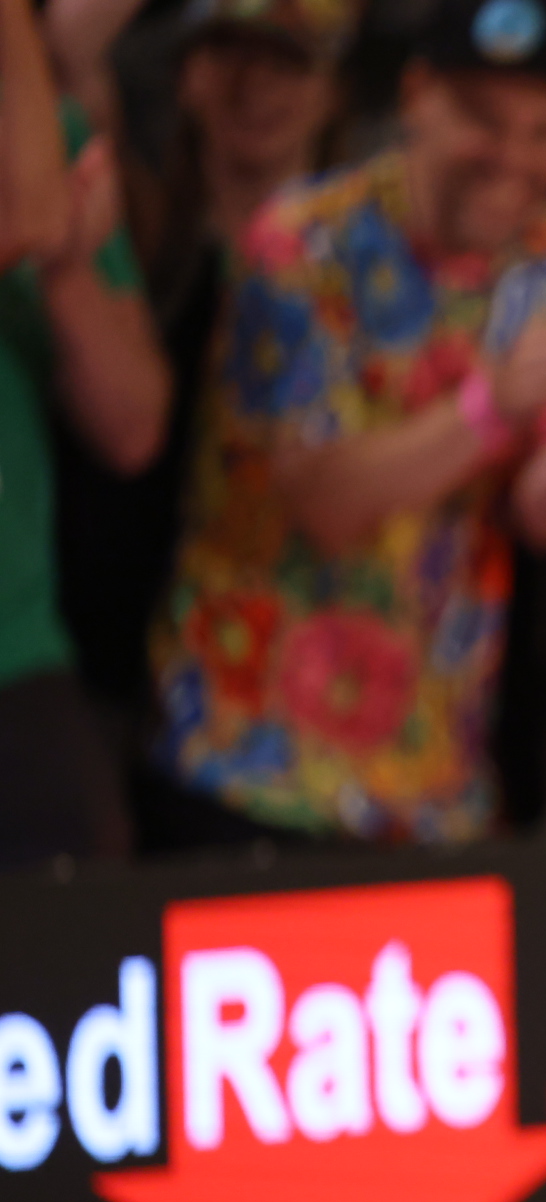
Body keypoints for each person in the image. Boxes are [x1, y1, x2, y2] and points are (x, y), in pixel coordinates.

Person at [150, 0, 546, 846]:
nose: (511, 158)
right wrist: (489, 408)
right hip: (249, 762)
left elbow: (545, 510)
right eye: (483, 120)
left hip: (433, 784)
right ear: (418, 96)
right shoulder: (306, 242)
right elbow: (324, 499)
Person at [47, 0, 352, 796]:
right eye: (230, 56)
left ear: (331, 93)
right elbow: (69, 60)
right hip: (114, 651)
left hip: (282, 684)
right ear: (189, 78)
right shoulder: (140, 228)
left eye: (287, 64)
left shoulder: (368, 278)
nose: (256, 87)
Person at [0, 0, 170, 869]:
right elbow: (23, 216)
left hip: (18, 654)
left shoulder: (45, 134)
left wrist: (68, 273)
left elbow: (133, 428)